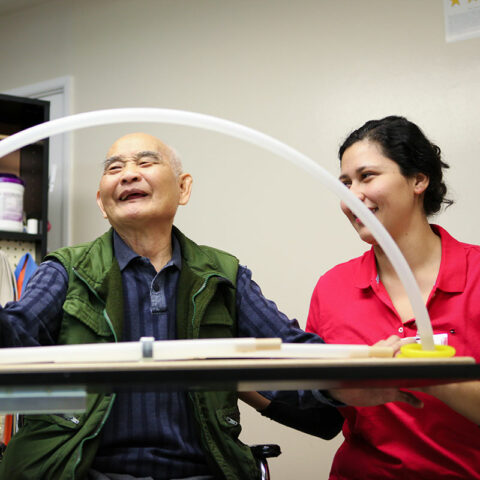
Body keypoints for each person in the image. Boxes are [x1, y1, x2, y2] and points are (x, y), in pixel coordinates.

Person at [0, 132, 420, 480]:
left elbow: (289, 352)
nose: (128, 174)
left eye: (145, 163)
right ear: (101, 201)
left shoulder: (223, 276)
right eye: (114, 168)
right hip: (83, 470)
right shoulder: (65, 270)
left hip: (201, 471)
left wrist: (356, 371)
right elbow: (16, 333)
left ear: (183, 188)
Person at [306, 116, 480, 479]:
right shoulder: (333, 287)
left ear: (418, 180)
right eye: (345, 183)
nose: (351, 196)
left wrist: (434, 377)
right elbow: (318, 408)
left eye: (367, 176)